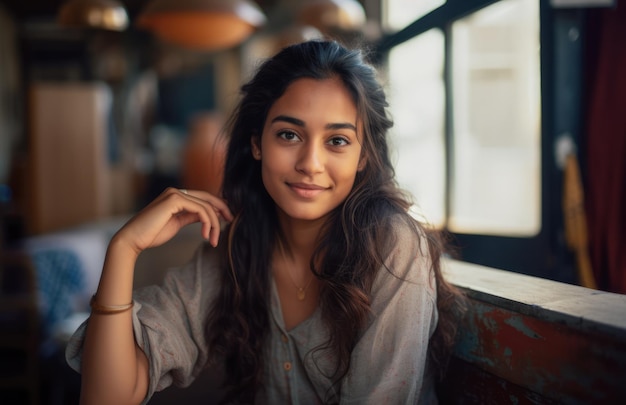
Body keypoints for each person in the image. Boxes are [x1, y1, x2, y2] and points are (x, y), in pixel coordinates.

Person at [66, 39, 465, 404]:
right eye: (289, 135)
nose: (310, 164)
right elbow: (108, 396)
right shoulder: (236, 249)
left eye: (337, 141)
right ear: (257, 143)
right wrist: (124, 249)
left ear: (363, 157)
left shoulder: (392, 246)